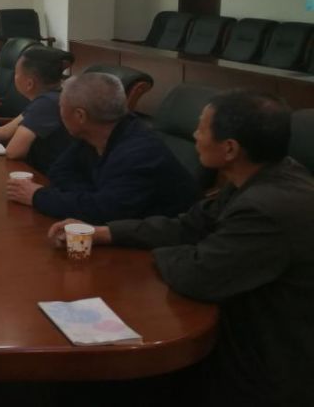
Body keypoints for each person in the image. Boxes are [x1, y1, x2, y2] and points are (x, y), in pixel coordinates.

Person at [47, 91, 314, 407]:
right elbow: (187, 226)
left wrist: (157, 255)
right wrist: (105, 233)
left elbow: (198, 275)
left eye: (201, 129)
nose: (194, 135)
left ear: (230, 148)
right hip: (237, 320)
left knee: (109, 382)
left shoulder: (267, 208)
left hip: (264, 360)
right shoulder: (258, 177)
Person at [7, 72, 198, 222]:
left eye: (61, 106)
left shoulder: (138, 152)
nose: (59, 112)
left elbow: (104, 212)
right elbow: (59, 172)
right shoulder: (92, 135)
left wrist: (37, 196)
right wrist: (90, 198)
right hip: (120, 227)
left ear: (80, 116)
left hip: (161, 242)